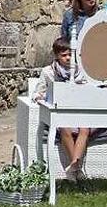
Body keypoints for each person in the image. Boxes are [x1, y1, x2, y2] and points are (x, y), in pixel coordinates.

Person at [34, 37, 90, 181]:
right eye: (64, 55)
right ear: (57, 56)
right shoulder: (48, 72)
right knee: (65, 127)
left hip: (77, 109)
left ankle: (73, 167)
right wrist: (41, 97)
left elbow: (88, 90)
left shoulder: (80, 71)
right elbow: (38, 92)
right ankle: (77, 168)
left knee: (85, 129)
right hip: (58, 111)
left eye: (70, 54)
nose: (68, 58)